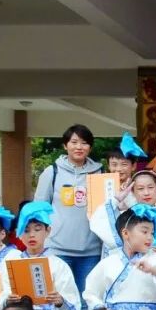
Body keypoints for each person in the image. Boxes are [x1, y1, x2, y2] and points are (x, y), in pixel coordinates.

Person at [33, 124, 104, 290]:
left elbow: (105, 211)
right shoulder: (52, 172)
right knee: (57, 296)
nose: (79, 147)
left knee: (87, 299)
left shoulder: (100, 173)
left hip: (90, 251)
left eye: (84, 143)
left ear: (90, 147)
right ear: (65, 145)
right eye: (74, 142)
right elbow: (39, 210)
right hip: (57, 249)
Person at [13, 201, 82, 310]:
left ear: (48, 230)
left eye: (37, 229)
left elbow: (73, 300)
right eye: (26, 230)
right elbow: (3, 296)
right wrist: (9, 300)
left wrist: (61, 301)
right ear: (19, 232)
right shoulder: (12, 263)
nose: (32, 235)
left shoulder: (59, 265)